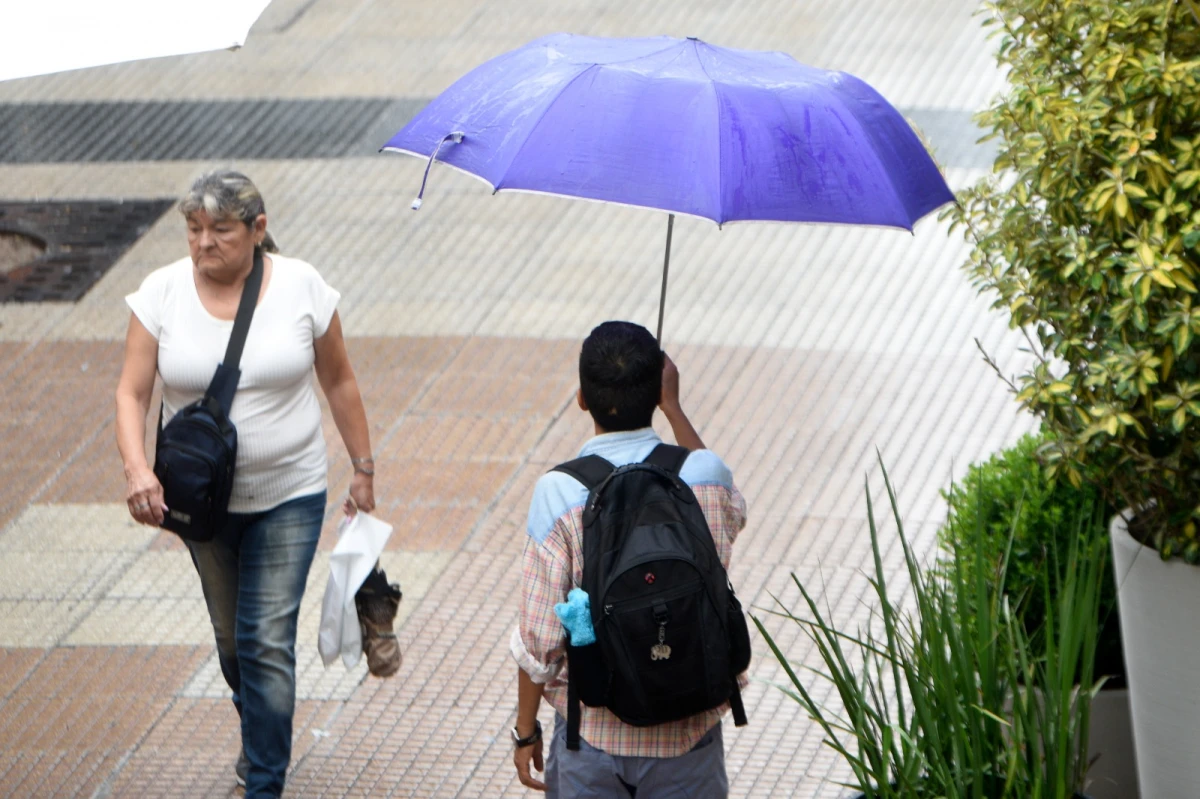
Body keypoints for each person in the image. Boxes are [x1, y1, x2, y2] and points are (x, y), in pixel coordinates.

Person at [115, 170, 376, 798]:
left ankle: (264, 782)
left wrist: (363, 468)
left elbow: (339, 381)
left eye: (220, 231)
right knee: (233, 642)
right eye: (194, 229)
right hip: (198, 503)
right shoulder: (162, 293)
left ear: (257, 230)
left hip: (290, 492)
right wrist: (136, 468)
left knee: (264, 642)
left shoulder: (302, 287)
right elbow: (131, 389)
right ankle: (260, 730)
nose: (204, 243)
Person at [511, 321, 748, 798]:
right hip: (690, 740)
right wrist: (673, 407)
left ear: (582, 397)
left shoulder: (560, 493)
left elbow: (539, 642)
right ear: (659, 386)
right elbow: (732, 507)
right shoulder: (705, 477)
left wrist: (526, 732)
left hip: (592, 741)